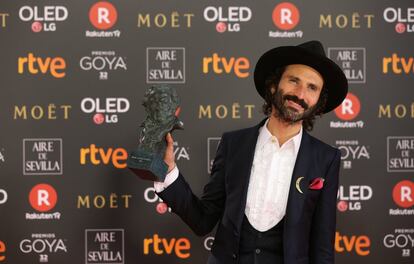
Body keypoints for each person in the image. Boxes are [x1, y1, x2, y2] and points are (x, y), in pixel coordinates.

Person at [154, 40, 348, 264]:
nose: (301, 94)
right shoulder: (233, 144)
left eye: (312, 88)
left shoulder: (326, 159)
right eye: (294, 81)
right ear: (274, 85)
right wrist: (168, 173)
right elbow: (203, 220)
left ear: (318, 101)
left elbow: (322, 248)